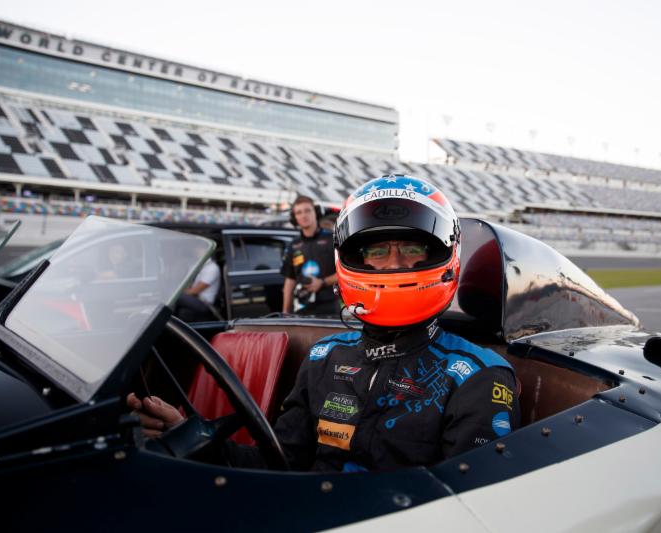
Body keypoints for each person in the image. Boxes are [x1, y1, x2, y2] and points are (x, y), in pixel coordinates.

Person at [131, 175, 519, 472]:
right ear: (351, 260)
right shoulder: (324, 357)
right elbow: (279, 463)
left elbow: (469, 509)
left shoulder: (476, 376)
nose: (394, 264)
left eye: (413, 249)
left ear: (441, 255)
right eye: (377, 251)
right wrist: (188, 434)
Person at [280, 195, 338, 316]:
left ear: (315, 212)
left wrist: (322, 282)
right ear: (295, 217)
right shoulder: (293, 245)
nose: (304, 215)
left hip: (330, 307)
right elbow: (290, 280)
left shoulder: (332, 239)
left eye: (307, 210)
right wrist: (285, 312)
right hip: (302, 308)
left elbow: (345, 272)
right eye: (299, 212)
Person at [174, 253, 221, 322]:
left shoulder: (212, 268)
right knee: (183, 313)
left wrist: (179, 293)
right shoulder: (199, 268)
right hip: (195, 300)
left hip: (205, 302)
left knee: (177, 296)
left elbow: (194, 291)